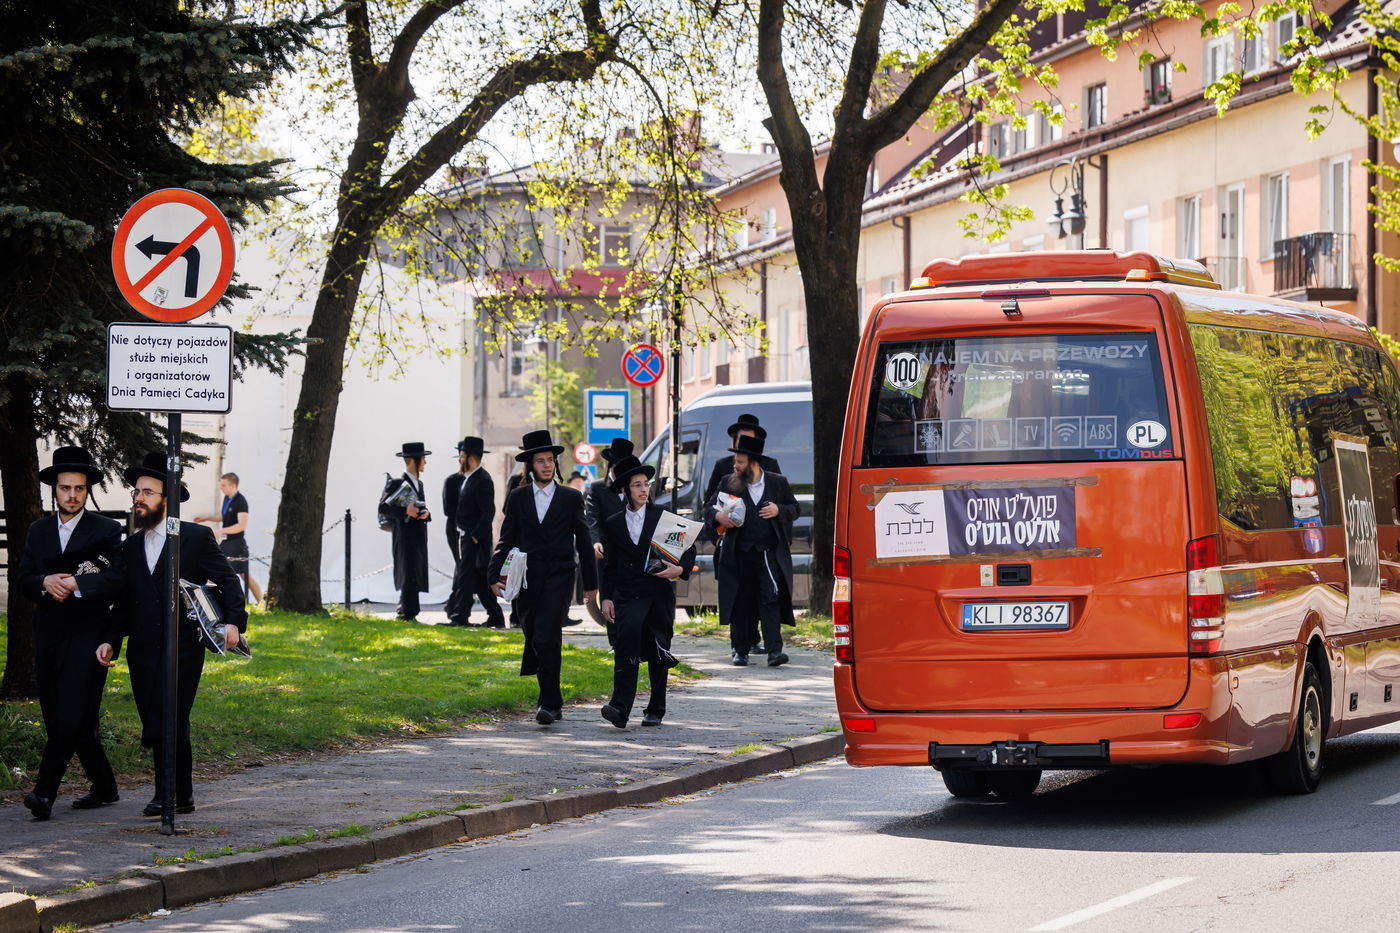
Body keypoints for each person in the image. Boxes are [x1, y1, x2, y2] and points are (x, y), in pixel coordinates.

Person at [67, 451, 247, 817]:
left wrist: (234, 623)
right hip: (143, 649)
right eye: (136, 492)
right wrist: (110, 640)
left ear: (167, 499)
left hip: (182, 646)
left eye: (147, 492)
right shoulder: (131, 546)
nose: (138, 498)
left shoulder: (195, 537)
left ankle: (166, 793)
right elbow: (124, 601)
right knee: (156, 717)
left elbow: (228, 581)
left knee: (171, 716)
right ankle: (182, 795)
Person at [17, 447, 123, 820]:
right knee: (65, 718)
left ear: (88, 490)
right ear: (55, 490)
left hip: (91, 633)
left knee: (73, 713)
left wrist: (79, 581)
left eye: (79, 488)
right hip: (48, 633)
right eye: (66, 488)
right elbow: (23, 578)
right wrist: (45, 581)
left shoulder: (107, 530)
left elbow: (116, 578)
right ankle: (105, 786)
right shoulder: (38, 531)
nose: (72, 495)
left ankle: (44, 794)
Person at [489, 430, 597, 725]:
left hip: (560, 576)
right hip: (526, 579)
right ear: (531, 465)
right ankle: (548, 694)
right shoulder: (519, 497)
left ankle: (550, 702)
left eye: (550, 460)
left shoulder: (571, 497)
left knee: (549, 634)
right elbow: (506, 538)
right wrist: (492, 573)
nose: (547, 465)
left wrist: (591, 585)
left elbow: (584, 541)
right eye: (541, 461)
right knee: (535, 636)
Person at [598, 455, 694, 729]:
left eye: (645, 484)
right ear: (625, 490)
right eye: (637, 485)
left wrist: (679, 570)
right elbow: (610, 565)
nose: (643, 489)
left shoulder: (663, 517)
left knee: (658, 652)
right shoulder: (614, 522)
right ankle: (619, 707)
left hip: (657, 596)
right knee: (625, 648)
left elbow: (688, 549)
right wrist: (606, 597)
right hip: (627, 595)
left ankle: (656, 708)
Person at [704, 434, 798, 668]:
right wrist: (718, 516)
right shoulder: (728, 481)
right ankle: (740, 650)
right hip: (738, 553)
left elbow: (795, 508)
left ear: (754, 463)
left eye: (740, 462)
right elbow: (708, 508)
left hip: (767, 553)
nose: (735, 465)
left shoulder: (777, 482)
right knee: (740, 601)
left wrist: (779, 510)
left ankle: (774, 650)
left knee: (770, 599)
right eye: (736, 461)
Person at [450, 437, 505, 628]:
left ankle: (460, 616)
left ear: (471, 458)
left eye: (462, 456)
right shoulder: (469, 478)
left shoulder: (482, 479)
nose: (459, 459)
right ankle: (496, 617)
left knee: (467, 577)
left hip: (475, 539)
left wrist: (474, 535)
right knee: (480, 580)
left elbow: (488, 511)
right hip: (469, 537)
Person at [194, 472, 261, 606]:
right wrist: (206, 519)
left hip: (236, 543)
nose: (221, 488)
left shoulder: (241, 501)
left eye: (224, 485)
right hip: (226, 542)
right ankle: (217, 603)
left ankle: (261, 603)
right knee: (219, 571)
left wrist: (220, 531)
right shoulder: (227, 498)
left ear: (233, 485)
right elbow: (224, 517)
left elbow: (241, 526)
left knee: (243, 575)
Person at [382, 442, 431, 621]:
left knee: (416, 571)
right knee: (408, 571)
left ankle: (410, 610)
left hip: (418, 534)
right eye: (423, 458)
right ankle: (406, 612)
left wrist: (426, 514)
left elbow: (422, 506)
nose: (425, 462)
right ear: (413, 460)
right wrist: (405, 511)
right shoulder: (397, 482)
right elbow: (383, 507)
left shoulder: (420, 484)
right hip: (404, 535)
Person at [441, 441, 471, 625]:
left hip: (468, 529)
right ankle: (454, 606)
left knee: (463, 569)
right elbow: (448, 509)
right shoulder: (452, 481)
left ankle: (454, 605)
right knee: (461, 567)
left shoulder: (473, 479)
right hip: (454, 529)